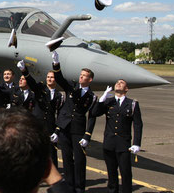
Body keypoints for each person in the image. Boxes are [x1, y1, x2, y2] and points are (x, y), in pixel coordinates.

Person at [51, 50, 97, 193]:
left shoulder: (92, 96)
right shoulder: (71, 88)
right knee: (66, 158)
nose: (81, 77)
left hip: (78, 129)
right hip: (65, 128)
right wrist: (56, 63)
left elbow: (92, 116)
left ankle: (79, 188)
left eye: (84, 76)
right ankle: (69, 187)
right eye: (81, 75)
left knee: (79, 160)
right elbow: (59, 78)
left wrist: (87, 135)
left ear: (90, 80)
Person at [92, 80, 143, 193]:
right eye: (117, 83)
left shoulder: (132, 104)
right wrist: (102, 99)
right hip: (109, 144)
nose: (118, 83)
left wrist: (136, 143)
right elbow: (94, 113)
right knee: (111, 173)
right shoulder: (108, 102)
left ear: (126, 89)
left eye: (122, 83)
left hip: (123, 144)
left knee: (125, 173)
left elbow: (138, 124)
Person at [17, 60, 63, 167]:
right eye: (48, 77)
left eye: (52, 77)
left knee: (52, 154)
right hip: (37, 126)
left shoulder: (59, 95)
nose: (49, 79)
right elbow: (31, 82)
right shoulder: (40, 89)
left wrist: (57, 131)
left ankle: (53, 177)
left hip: (50, 127)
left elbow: (60, 114)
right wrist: (24, 70)